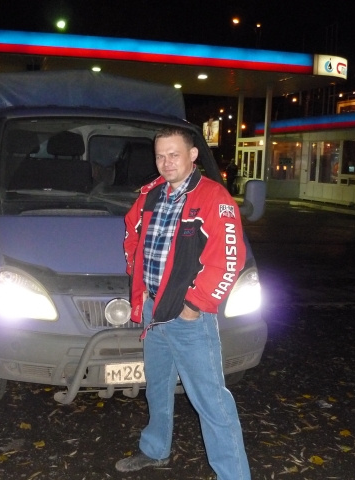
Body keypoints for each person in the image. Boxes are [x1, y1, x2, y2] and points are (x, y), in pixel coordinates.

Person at [117, 127, 251, 479]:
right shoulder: (151, 195)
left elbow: (229, 260)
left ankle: (234, 475)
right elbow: (132, 234)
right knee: (157, 387)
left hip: (189, 316)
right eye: (160, 156)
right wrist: (138, 279)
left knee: (211, 401)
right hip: (154, 311)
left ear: (193, 155)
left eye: (174, 154)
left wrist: (194, 306)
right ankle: (155, 449)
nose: (166, 163)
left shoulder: (214, 197)